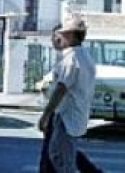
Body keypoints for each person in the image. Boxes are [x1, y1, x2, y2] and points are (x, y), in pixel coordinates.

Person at [38, 15, 101, 173]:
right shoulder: (84, 57)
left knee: (61, 158)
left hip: (66, 117)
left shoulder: (72, 59)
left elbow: (61, 88)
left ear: (72, 35)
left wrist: (46, 115)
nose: (60, 37)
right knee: (58, 155)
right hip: (74, 116)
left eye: (63, 33)